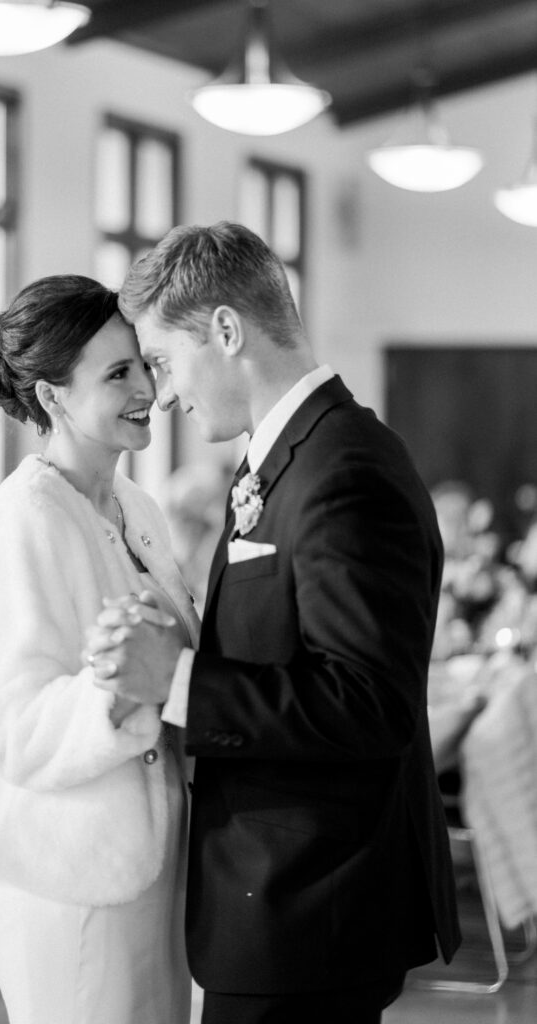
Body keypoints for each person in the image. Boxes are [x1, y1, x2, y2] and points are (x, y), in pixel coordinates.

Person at [86, 223, 462, 1024]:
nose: (161, 392)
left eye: (160, 361)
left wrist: (179, 681)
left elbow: (367, 702)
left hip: (311, 902)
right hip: (281, 899)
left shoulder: (344, 467)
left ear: (225, 330)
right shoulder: (289, 453)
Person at [0, 275, 199, 1024]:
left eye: (145, 366)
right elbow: (14, 729)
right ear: (53, 395)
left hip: (158, 872)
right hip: (74, 892)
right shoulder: (23, 523)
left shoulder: (138, 506)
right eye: (117, 373)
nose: (147, 390)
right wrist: (125, 688)